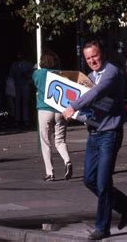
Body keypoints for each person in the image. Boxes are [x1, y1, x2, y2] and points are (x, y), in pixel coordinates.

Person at [62, 40, 127, 240]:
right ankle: (126, 205)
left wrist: (73, 106)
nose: (92, 61)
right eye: (88, 58)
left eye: (94, 56)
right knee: (89, 180)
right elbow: (90, 101)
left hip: (110, 134)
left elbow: (96, 93)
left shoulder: (112, 72)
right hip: (94, 134)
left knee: (104, 182)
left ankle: (102, 227)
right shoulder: (89, 77)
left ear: (102, 53)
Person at [32, 50, 72, 182]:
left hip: (44, 110)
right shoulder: (61, 74)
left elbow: (35, 82)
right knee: (60, 140)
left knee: (45, 142)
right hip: (60, 110)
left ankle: (50, 173)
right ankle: (67, 161)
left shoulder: (38, 74)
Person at [9, 51, 34, 128]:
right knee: (17, 103)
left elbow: (32, 74)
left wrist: (28, 80)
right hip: (16, 85)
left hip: (25, 85)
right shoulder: (14, 64)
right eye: (18, 55)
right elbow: (11, 74)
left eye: (21, 55)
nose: (19, 56)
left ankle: (25, 119)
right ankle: (17, 119)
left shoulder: (28, 64)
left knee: (25, 103)